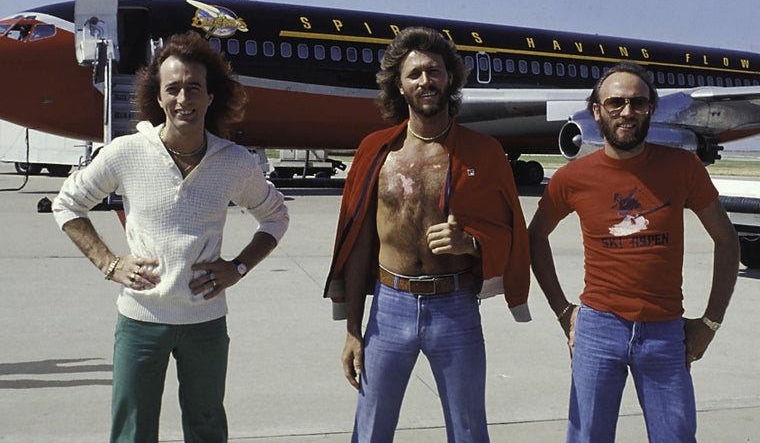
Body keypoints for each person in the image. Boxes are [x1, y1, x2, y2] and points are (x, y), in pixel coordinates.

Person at [53, 31, 290, 443]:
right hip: (140, 321)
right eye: (173, 89)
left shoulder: (233, 162)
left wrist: (237, 267)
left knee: (206, 430)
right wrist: (109, 263)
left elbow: (275, 217)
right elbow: (67, 204)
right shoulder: (126, 152)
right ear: (159, 97)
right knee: (132, 433)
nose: (184, 99)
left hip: (206, 323)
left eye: (194, 88)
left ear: (210, 96)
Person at [324, 26, 531, 442]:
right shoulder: (376, 151)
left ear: (450, 78)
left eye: (434, 71)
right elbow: (358, 241)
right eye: (414, 74)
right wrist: (352, 330)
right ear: (398, 86)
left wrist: (471, 244)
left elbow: (512, 232)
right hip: (389, 308)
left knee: (469, 429)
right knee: (370, 429)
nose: (425, 81)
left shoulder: (483, 151)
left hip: (454, 308)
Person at [528, 62, 739, 442]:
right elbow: (535, 237)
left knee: (675, 436)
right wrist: (563, 311)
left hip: (664, 332)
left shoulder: (683, 167)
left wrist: (709, 323)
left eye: (638, 103)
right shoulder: (571, 178)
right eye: (616, 103)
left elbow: (726, 240)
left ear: (651, 110)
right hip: (597, 329)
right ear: (596, 111)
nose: (627, 112)